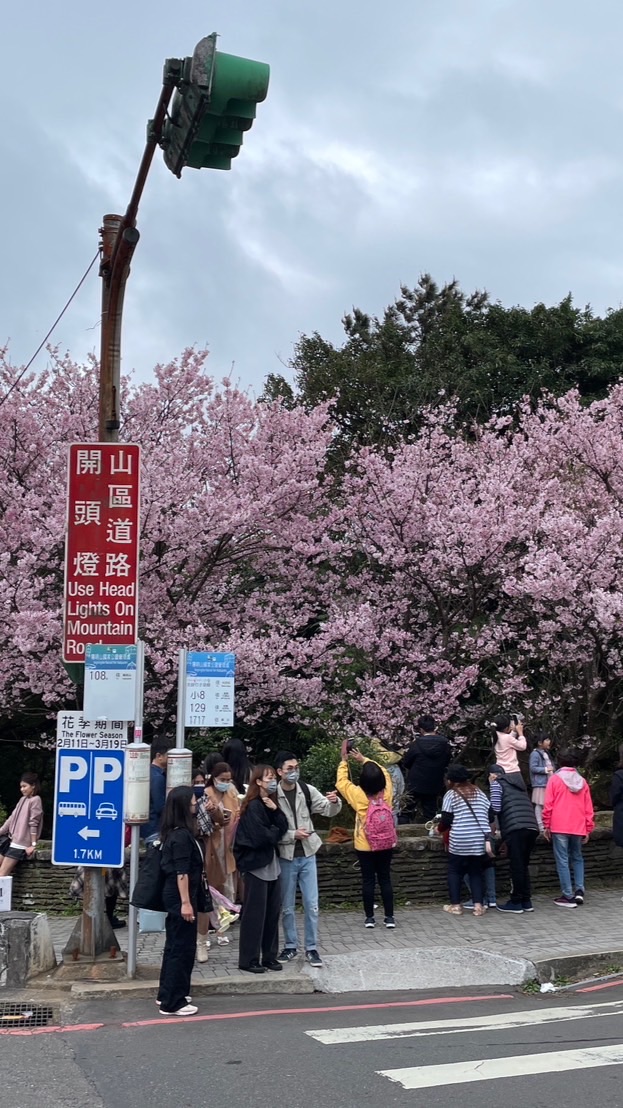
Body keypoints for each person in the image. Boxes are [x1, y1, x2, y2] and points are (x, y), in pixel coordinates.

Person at [274, 750, 342, 968]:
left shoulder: (306, 789)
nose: (294, 772)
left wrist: (334, 801)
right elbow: (269, 830)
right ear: (279, 772)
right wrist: (292, 834)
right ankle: (290, 945)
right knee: (287, 906)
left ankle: (312, 948)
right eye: (289, 769)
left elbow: (327, 810)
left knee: (312, 904)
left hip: (308, 853)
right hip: (286, 856)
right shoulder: (273, 795)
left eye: (296, 768)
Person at [157, 785, 208, 1017]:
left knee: (174, 946)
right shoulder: (181, 837)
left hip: (178, 896)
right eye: (192, 802)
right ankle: (173, 1002)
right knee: (181, 947)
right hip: (180, 897)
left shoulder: (176, 833)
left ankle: (168, 993)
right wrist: (186, 903)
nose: (195, 805)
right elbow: (181, 872)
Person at [233, 765, 288, 974]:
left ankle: (269, 955)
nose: (272, 781)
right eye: (269, 778)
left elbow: (282, 827)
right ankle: (249, 958)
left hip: (271, 863)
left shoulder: (270, 804)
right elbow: (261, 837)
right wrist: (274, 831)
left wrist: (275, 813)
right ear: (258, 781)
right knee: (255, 914)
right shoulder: (253, 806)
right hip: (257, 866)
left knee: (272, 913)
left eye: (274, 777)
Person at [336, 740, 396, 929]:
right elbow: (383, 771)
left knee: (368, 879)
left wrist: (344, 761)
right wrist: (364, 760)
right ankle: (389, 918)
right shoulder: (387, 793)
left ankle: (369, 918)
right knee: (385, 878)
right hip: (386, 842)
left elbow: (341, 782)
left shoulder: (358, 794)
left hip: (365, 844)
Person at [195, 761, 241, 960]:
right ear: (213, 779)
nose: (226, 783)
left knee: (227, 889)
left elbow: (237, 810)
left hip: (229, 845)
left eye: (228, 780)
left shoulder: (231, 792)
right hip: (212, 846)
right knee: (210, 891)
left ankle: (222, 928)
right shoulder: (206, 794)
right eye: (222, 780)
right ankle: (206, 933)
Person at [437, 765, 493, 917]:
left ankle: (455, 906)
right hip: (478, 839)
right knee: (475, 872)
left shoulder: (451, 794)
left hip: (459, 838)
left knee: (455, 870)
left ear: (451, 780)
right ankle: (478, 906)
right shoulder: (479, 792)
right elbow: (491, 816)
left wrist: (438, 830)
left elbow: (447, 820)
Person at [542, 749, 595, 908]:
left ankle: (567, 894)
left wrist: (546, 824)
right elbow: (588, 807)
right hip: (578, 825)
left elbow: (548, 804)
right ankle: (579, 890)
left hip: (559, 825)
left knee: (563, 860)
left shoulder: (555, 780)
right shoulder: (582, 781)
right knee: (577, 857)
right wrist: (588, 826)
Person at [488, 763, 539, 913]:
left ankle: (516, 901)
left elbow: (496, 807)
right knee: (523, 864)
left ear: (492, 775)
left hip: (516, 828)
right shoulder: (518, 785)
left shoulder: (497, 784)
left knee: (516, 865)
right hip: (531, 826)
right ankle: (526, 900)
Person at [403, 716, 451, 822]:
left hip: (415, 782)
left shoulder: (416, 744)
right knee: (430, 812)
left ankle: (403, 833)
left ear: (421, 729)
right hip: (435, 782)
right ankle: (430, 834)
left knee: (406, 811)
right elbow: (447, 761)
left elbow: (407, 763)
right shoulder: (445, 744)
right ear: (434, 727)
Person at [0, 773, 43, 878]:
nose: (22, 789)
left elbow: (34, 823)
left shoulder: (36, 800)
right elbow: (11, 818)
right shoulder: (22, 799)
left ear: (33, 785)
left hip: (20, 843)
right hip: (10, 840)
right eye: (21, 787)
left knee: (1, 874)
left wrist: (33, 844)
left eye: (24, 786)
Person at [141, 737, 174, 842]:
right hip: (154, 828)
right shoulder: (157, 777)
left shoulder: (147, 772)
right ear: (159, 756)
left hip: (146, 827)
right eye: (169, 755)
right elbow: (160, 806)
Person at [529, 733, 555, 832]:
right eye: (547, 740)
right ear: (540, 743)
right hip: (540, 783)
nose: (549, 742)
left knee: (546, 804)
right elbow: (533, 768)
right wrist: (546, 769)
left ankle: (547, 824)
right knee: (540, 804)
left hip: (548, 782)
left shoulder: (545, 753)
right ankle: (541, 825)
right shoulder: (535, 754)